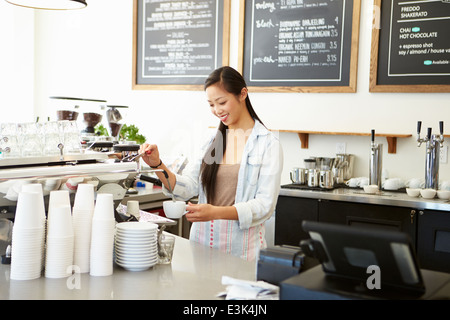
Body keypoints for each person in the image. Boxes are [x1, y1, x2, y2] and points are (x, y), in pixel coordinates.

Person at [139, 66, 283, 261]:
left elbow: (264, 206)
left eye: (222, 102)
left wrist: (216, 212)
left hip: (243, 253)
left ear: (243, 94)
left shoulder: (267, 144)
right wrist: (157, 165)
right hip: (201, 249)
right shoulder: (211, 141)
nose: (217, 111)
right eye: (211, 105)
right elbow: (187, 187)